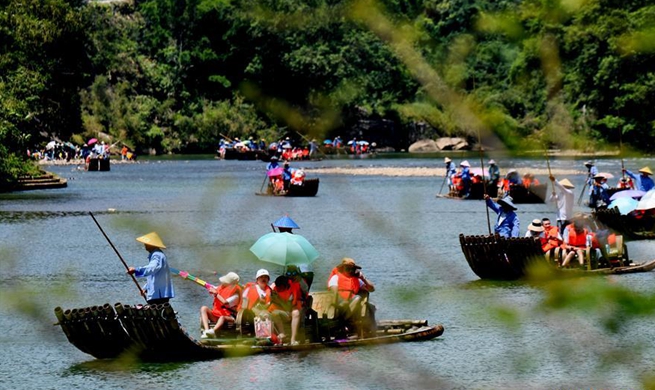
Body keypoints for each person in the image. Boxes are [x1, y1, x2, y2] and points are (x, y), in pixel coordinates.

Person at [327, 258, 376, 335]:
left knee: (358, 298)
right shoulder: (336, 277)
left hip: (352, 304)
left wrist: (363, 278)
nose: (350, 270)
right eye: (347, 268)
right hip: (338, 304)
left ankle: (343, 322)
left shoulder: (356, 279)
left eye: (352, 268)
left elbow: (371, 289)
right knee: (347, 301)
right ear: (342, 268)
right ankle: (342, 323)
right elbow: (334, 293)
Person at [127, 232, 175, 305]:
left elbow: (152, 268)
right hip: (158, 293)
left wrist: (136, 270)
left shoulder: (157, 255)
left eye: (146, 244)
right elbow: (154, 276)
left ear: (151, 245)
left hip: (159, 294)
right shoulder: (157, 254)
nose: (145, 245)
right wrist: (146, 288)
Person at [200, 272, 242, 339]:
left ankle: (213, 331)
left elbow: (225, 302)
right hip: (216, 315)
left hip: (229, 318)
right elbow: (210, 287)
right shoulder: (220, 289)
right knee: (204, 308)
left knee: (222, 317)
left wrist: (216, 294)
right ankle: (207, 331)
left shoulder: (235, 296)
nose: (223, 284)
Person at [269, 275, 302, 345]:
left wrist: (279, 300)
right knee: (274, 313)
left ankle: (293, 339)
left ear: (285, 286)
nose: (278, 289)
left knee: (296, 313)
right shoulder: (274, 290)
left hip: (291, 310)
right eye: (277, 287)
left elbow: (289, 306)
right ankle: (282, 334)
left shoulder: (293, 288)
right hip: (279, 311)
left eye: (280, 288)